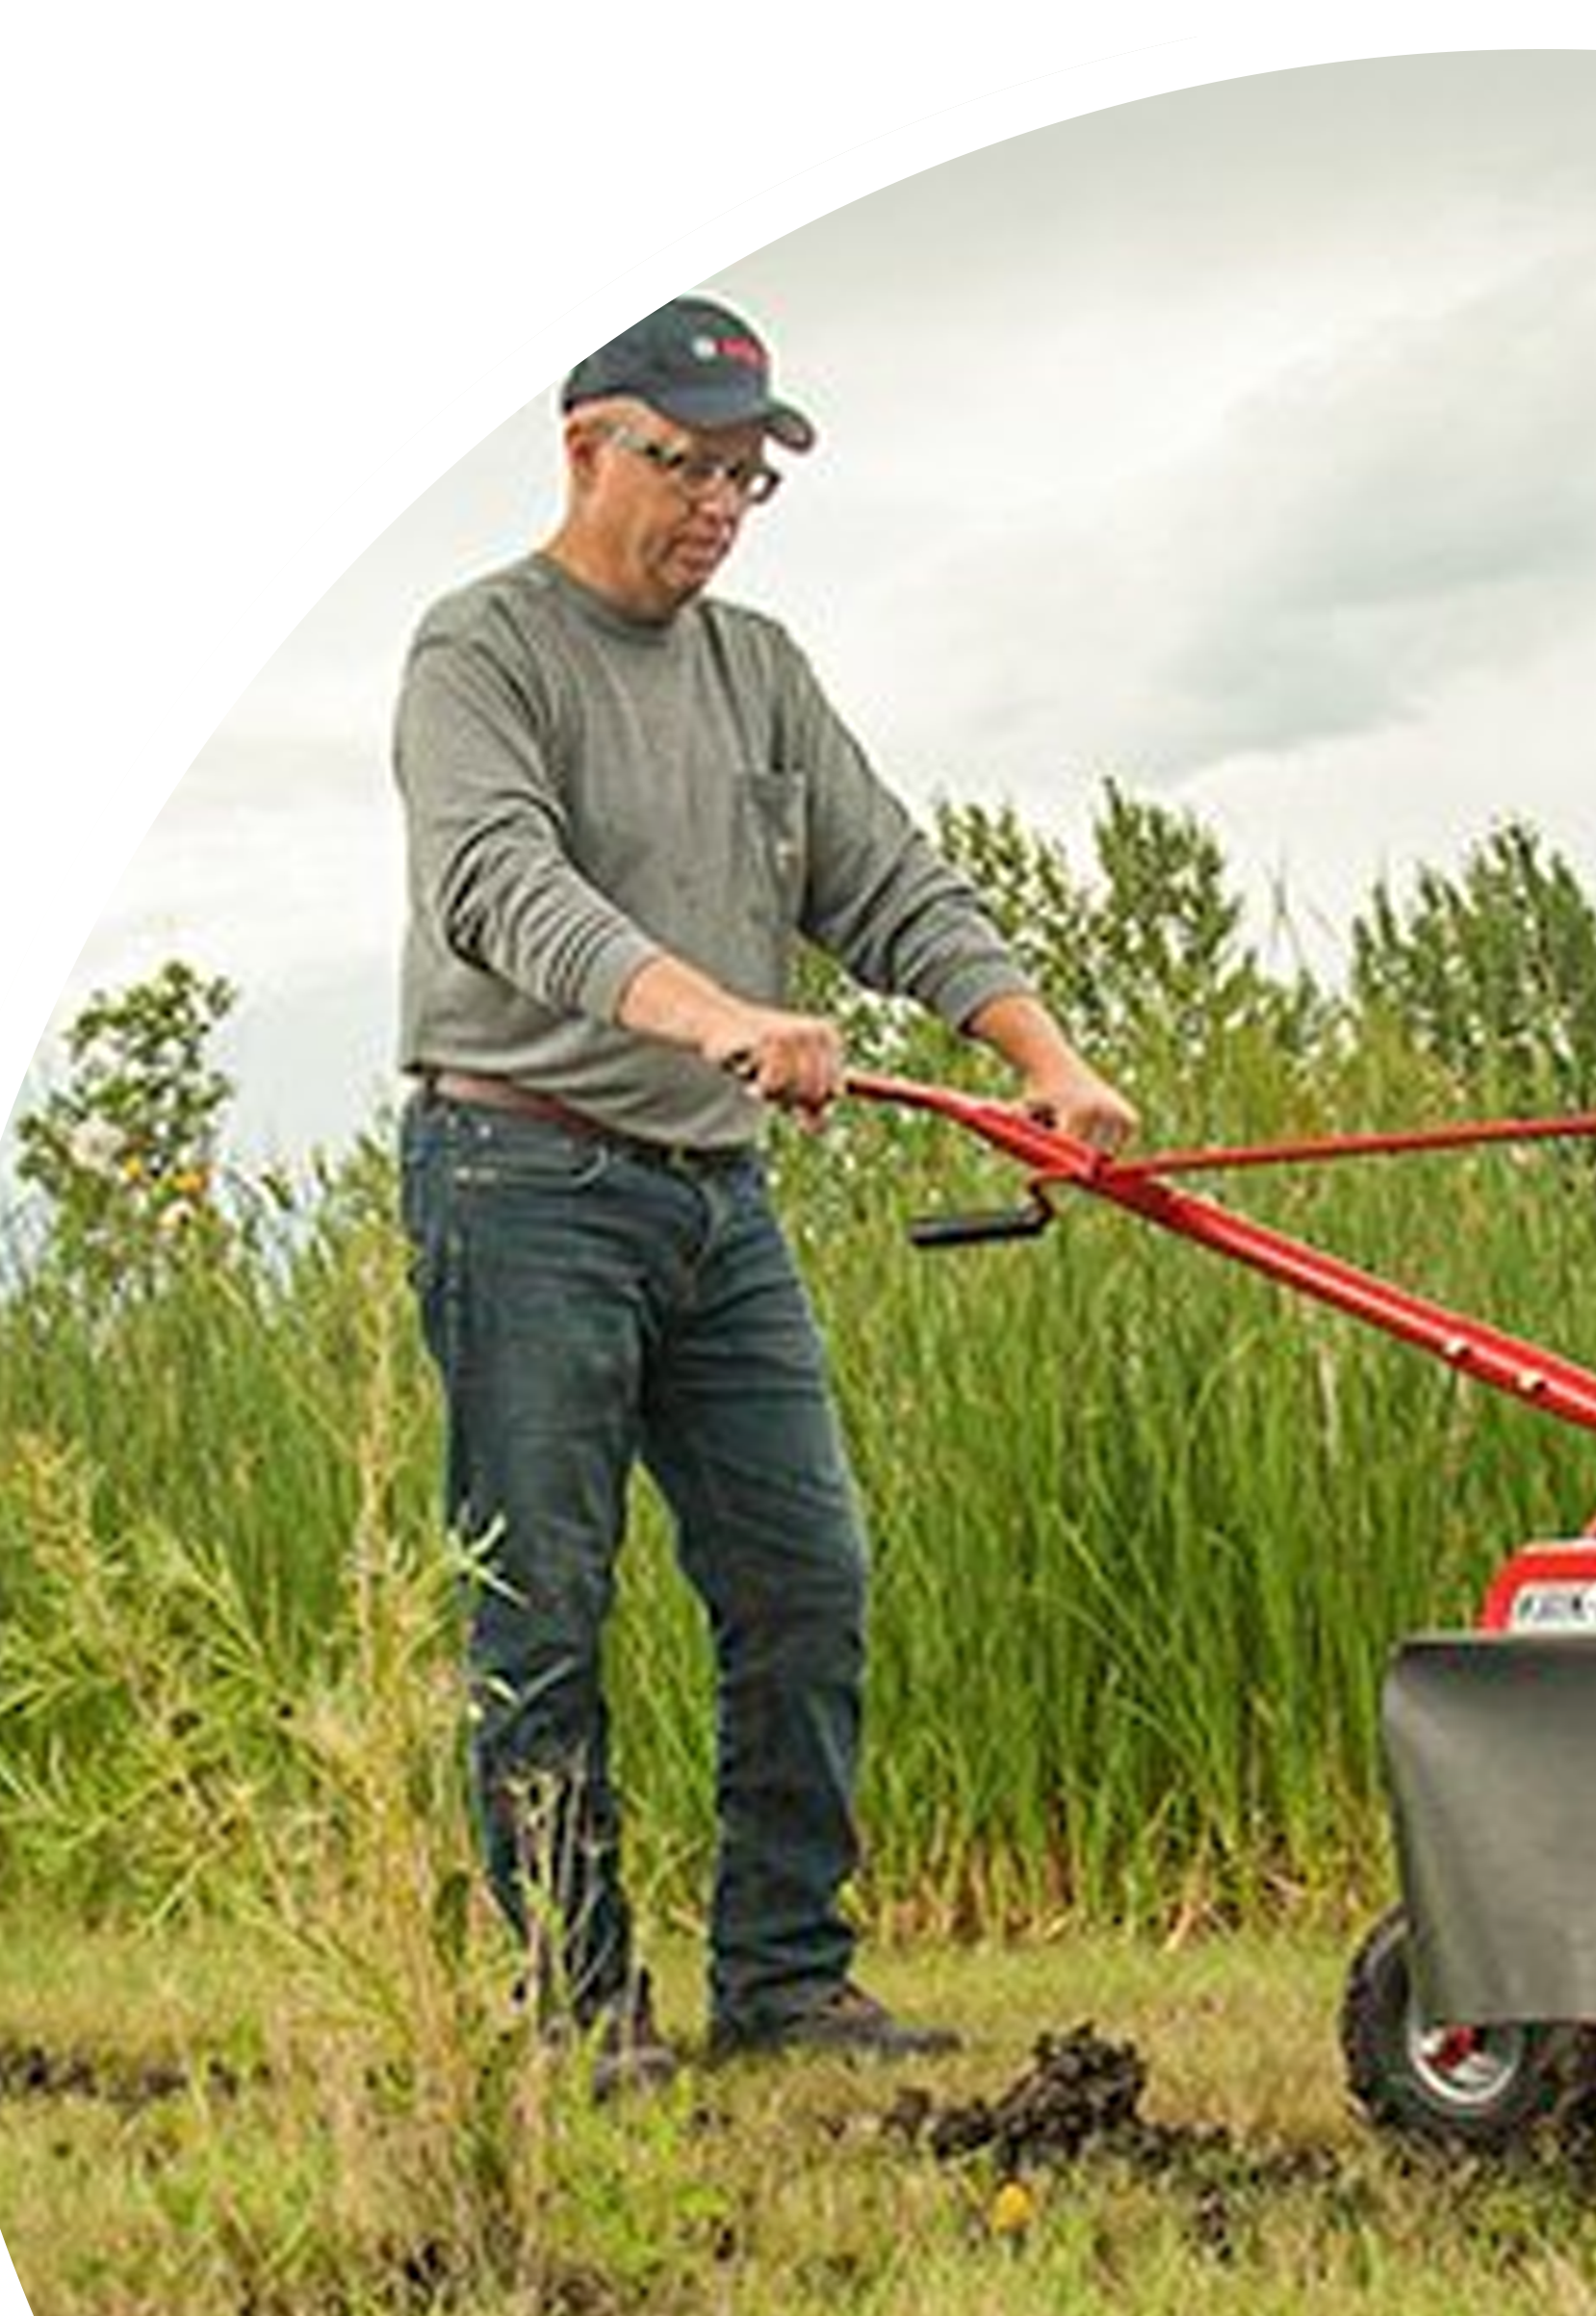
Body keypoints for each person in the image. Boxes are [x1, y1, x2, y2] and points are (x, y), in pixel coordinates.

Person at [393, 294, 1132, 2092]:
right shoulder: (483, 649)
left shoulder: (759, 670)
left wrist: (1042, 1056)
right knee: (541, 1605)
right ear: (588, 448)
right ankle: (580, 2011)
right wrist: (711, 1011)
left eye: (748, 478)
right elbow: (498, 887)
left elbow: (887, 882)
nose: (720, 506)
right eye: (689, 466)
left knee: (807, 1578)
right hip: (522, 1178)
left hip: (713, 1205)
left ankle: (786, 1983)